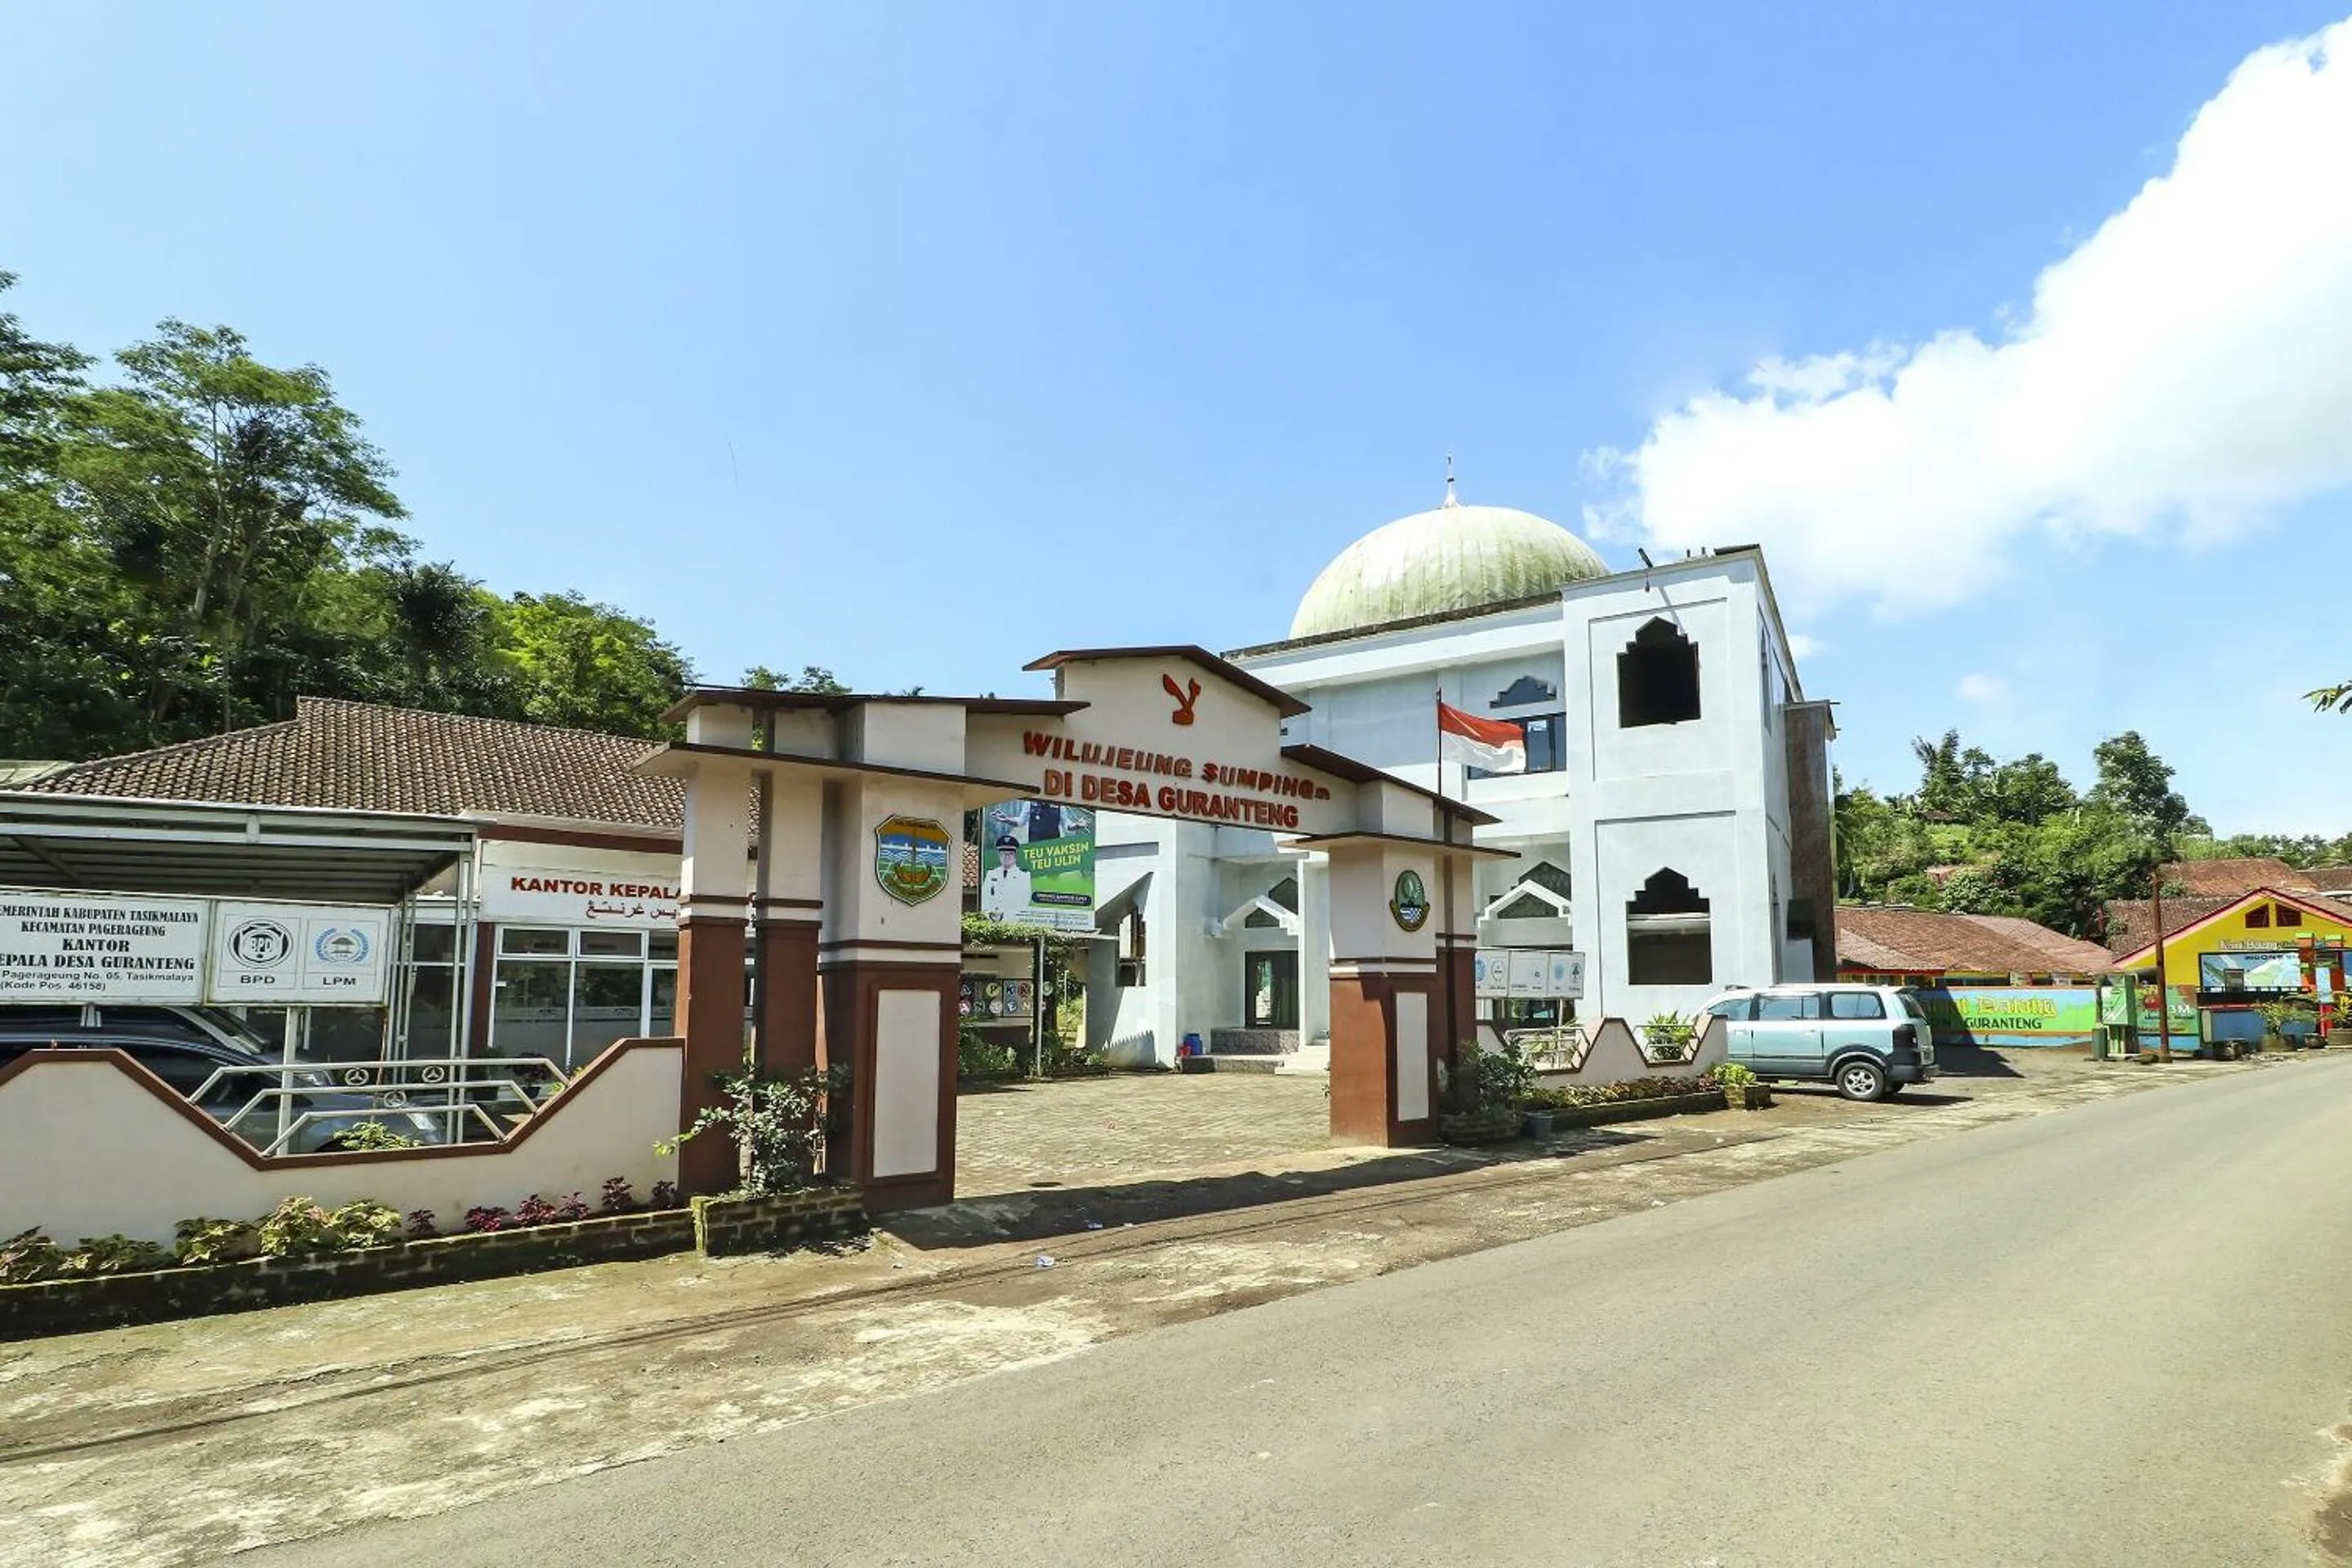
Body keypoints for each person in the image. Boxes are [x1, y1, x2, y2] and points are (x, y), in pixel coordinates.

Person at [980, 833, 1031, 920]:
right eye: (1004, 853)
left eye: (1010, 854)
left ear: (1015, 856)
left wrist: (1004, 918)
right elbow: (984, 899)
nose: (1007, 857)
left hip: (1013, 923)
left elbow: (1023, 902)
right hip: (991, 922)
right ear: (999, 855)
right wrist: (989, 915)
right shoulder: (991, 874)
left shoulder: (1024, 876)